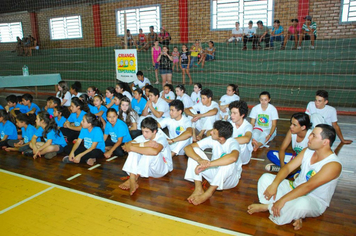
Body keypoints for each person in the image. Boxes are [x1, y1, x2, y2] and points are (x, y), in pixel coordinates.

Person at [248, 124, 342, 231]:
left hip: (313, 199)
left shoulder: (333, 165)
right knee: (266, 179)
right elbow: (288, 168)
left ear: (325, 142)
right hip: (294, 187)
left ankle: (268, 207)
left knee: (301, 203)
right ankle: (291, 213)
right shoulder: (308, 151)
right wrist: (274, 185)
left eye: (313, 136)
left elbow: (308, 187)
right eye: (310, 134)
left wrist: (282, 200)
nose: (309, 137)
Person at [184, 120, 242, 205]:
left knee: (228, 163)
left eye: (214, 132)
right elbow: (187, 148)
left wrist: (208, 164)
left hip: (229, 180)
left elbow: (233, 157)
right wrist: (200, 160)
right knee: (194, 151)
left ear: (221, 138)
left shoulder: (233, 142)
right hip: (214, 175)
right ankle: (198, 189)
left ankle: (208, 193)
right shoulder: (212, 139)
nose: (210, 132)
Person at [119, 117, 173, 195]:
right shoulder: (143, 137)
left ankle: (134, 178)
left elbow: (154, 152)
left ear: (154, 131)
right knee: (135, 150)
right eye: (143, 131)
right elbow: (125, 146)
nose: (144, 134)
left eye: (147, 132)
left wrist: (132, 147)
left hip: (162, 169)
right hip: (147, 170)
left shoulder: (161, 138)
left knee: (149, 152)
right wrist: (143, 144)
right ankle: (132, 178)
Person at [229, 101, 253, 165]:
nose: (231, 115)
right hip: (232, 152)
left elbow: (247, 138)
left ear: (242, 115)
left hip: (244, 157)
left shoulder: (247, 126)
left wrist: (229, 141)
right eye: (231, 112)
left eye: (235, 113)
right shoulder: (230, 123)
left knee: (241, 144)